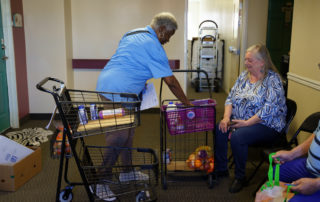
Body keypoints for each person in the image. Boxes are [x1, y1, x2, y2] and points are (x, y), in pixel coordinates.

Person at [94, 12, 191, 201]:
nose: (168, 41)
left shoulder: (132, 33)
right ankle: (101, 182)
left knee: (129, 131)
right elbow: (170, 81)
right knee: (118, 135)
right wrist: (187, 103)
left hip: (116, 88)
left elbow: (130, 60)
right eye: (168, 36)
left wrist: (140, 78)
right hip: (115, 91)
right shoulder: (154, 45)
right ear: (161, 30)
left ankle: (126, 171)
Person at [213, 44, 287, 193]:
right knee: (220, 127)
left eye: (250, 60)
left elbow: (269, 109)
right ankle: (221, 169)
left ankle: (240, 177)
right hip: (242, 121)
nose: (246, 63)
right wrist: (227, 117)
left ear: (262, 62)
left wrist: (247, 123)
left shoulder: (273, 80)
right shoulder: (243, 76)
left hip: (267, 125)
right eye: (246, 60)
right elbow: (230, 99)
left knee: (238, 137)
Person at [271, 120, 320, 201]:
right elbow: (315, 136)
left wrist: (316, 184)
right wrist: (291, 154)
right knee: (275, 172)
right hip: (309, 165)